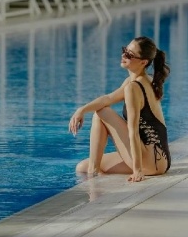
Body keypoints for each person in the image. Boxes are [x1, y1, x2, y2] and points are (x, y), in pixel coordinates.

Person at [68, 36, 171, 183]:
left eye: (129, 54)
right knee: (81, 166)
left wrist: (137, 170)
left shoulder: (134, 88)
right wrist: (81, 110)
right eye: (124, 50)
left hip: (150, 161)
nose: (124, 55)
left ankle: (93, 172)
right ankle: (94, 170)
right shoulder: (137, 81)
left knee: (101, 112)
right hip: (159, 160)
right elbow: (107, 98)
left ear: (143, 62)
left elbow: (133, 132)